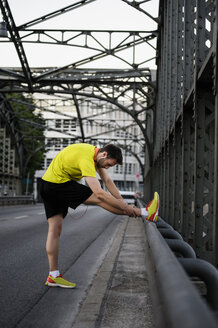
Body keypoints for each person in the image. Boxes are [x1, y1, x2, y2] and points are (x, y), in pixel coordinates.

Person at [40, 143, 159, 288]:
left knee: (54, 230)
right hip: (58, 185)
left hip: (47, 185)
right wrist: (127, 207)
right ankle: (145, 213)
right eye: (108, 164)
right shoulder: (86, 158)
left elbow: (108, 181)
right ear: (104, 155)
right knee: (100, 199)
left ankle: (53, 275)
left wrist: (121, 201)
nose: (107, 168)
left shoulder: (96, 156)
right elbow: (99, 193)